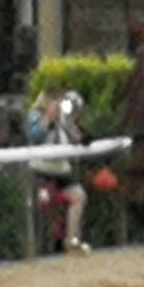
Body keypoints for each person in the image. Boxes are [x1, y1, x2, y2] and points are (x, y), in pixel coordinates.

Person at [27, 86, 89, 254]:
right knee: (44, 206)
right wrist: (48, 117)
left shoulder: (64, 118)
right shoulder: (35, 116)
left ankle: (71, 240)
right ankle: (40, 247)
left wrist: (71, 124)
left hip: (61, 171)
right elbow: (33, 136)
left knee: (79, 196)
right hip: (41, 172)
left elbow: (77, 138)